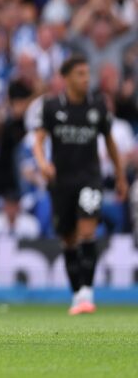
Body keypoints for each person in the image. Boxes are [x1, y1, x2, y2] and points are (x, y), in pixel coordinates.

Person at [31, 55, 127, 315]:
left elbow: (110, 143)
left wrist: (120, 176)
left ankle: (87, 293)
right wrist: (42, 163)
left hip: (89, 179)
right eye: (80, 74)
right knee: (68, 239)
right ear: (66, 78)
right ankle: (77, 295)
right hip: (61, 182)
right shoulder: (51, 107)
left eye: (87, 74)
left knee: (87, 232)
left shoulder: (97, 106)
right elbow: (38, 140)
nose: (86, 79)